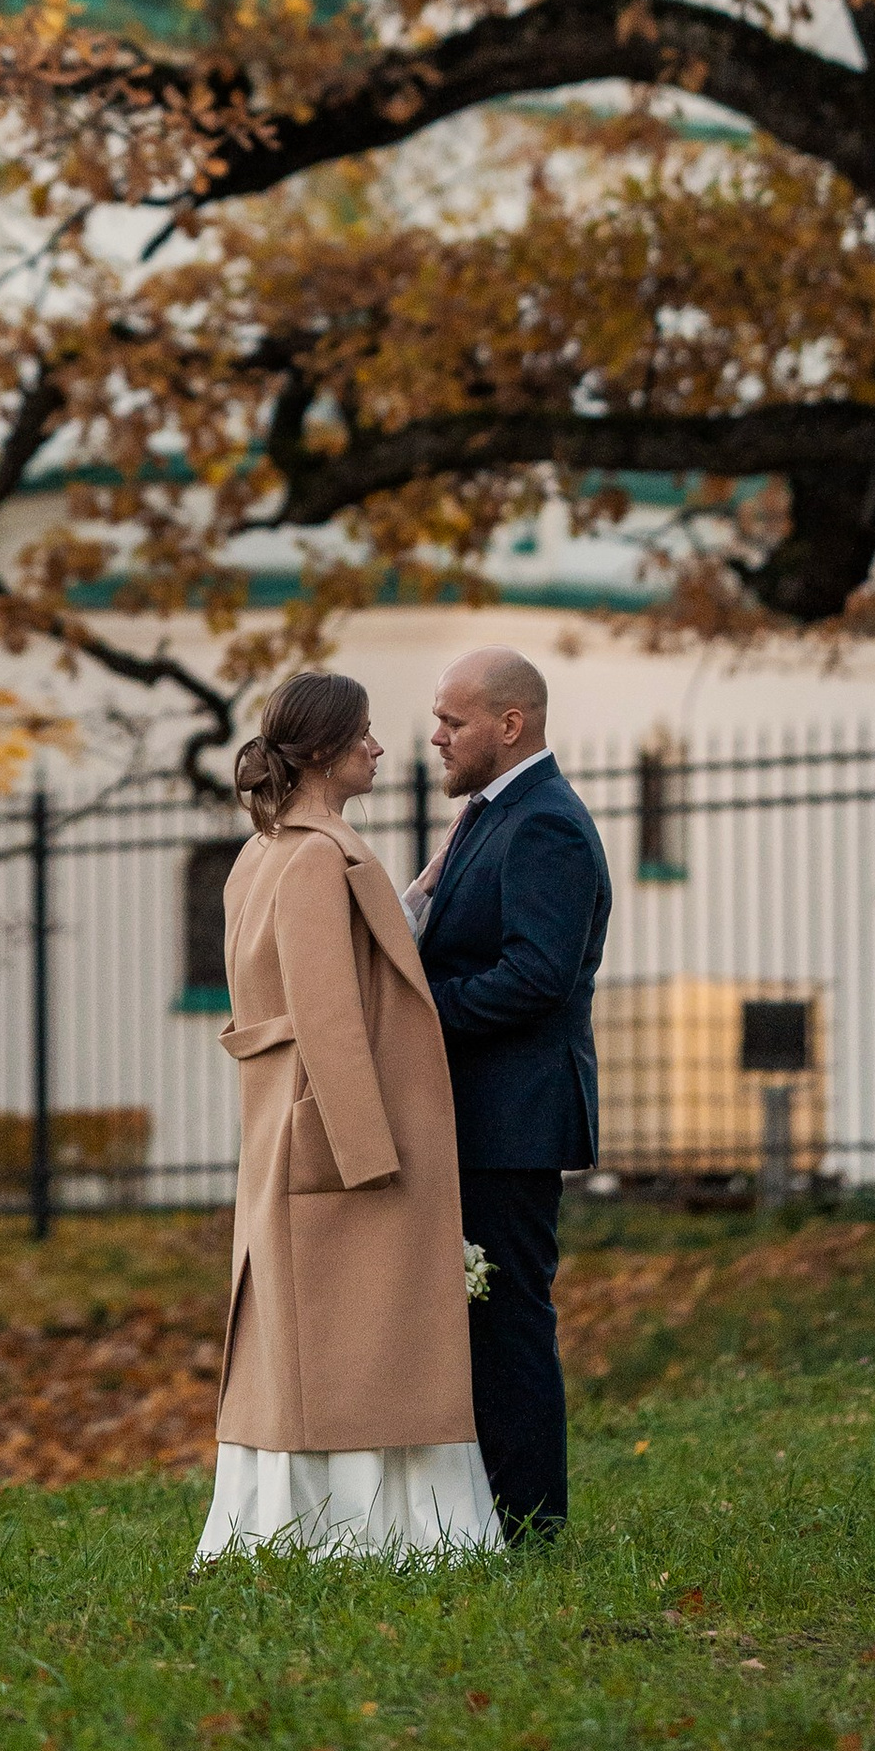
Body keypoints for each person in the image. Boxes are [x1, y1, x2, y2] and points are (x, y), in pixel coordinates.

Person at [198, 670, 501, 1563]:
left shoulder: (269, 851)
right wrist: (365, 1151)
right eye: (365, 735)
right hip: (336, 1130)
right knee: (365, 1346)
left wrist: (415, 891)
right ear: (327, 750)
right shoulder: (315, 857)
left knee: (317, 1344)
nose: (379, 748)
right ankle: (384, 1539)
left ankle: (313, 1530)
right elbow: (329, 1010)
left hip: (285, 1126)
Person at [406, 648, 611, 1538]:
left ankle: (532, 1524)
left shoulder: (546, 825)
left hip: (514, 1118)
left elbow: (537, 976)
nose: (437, 736)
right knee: (479, 1323)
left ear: (510, 725)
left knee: (511, 1322)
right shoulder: (494, 815)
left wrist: (414, 1014)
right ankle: (491, 1515)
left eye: (453, 720)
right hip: (477, 1112)